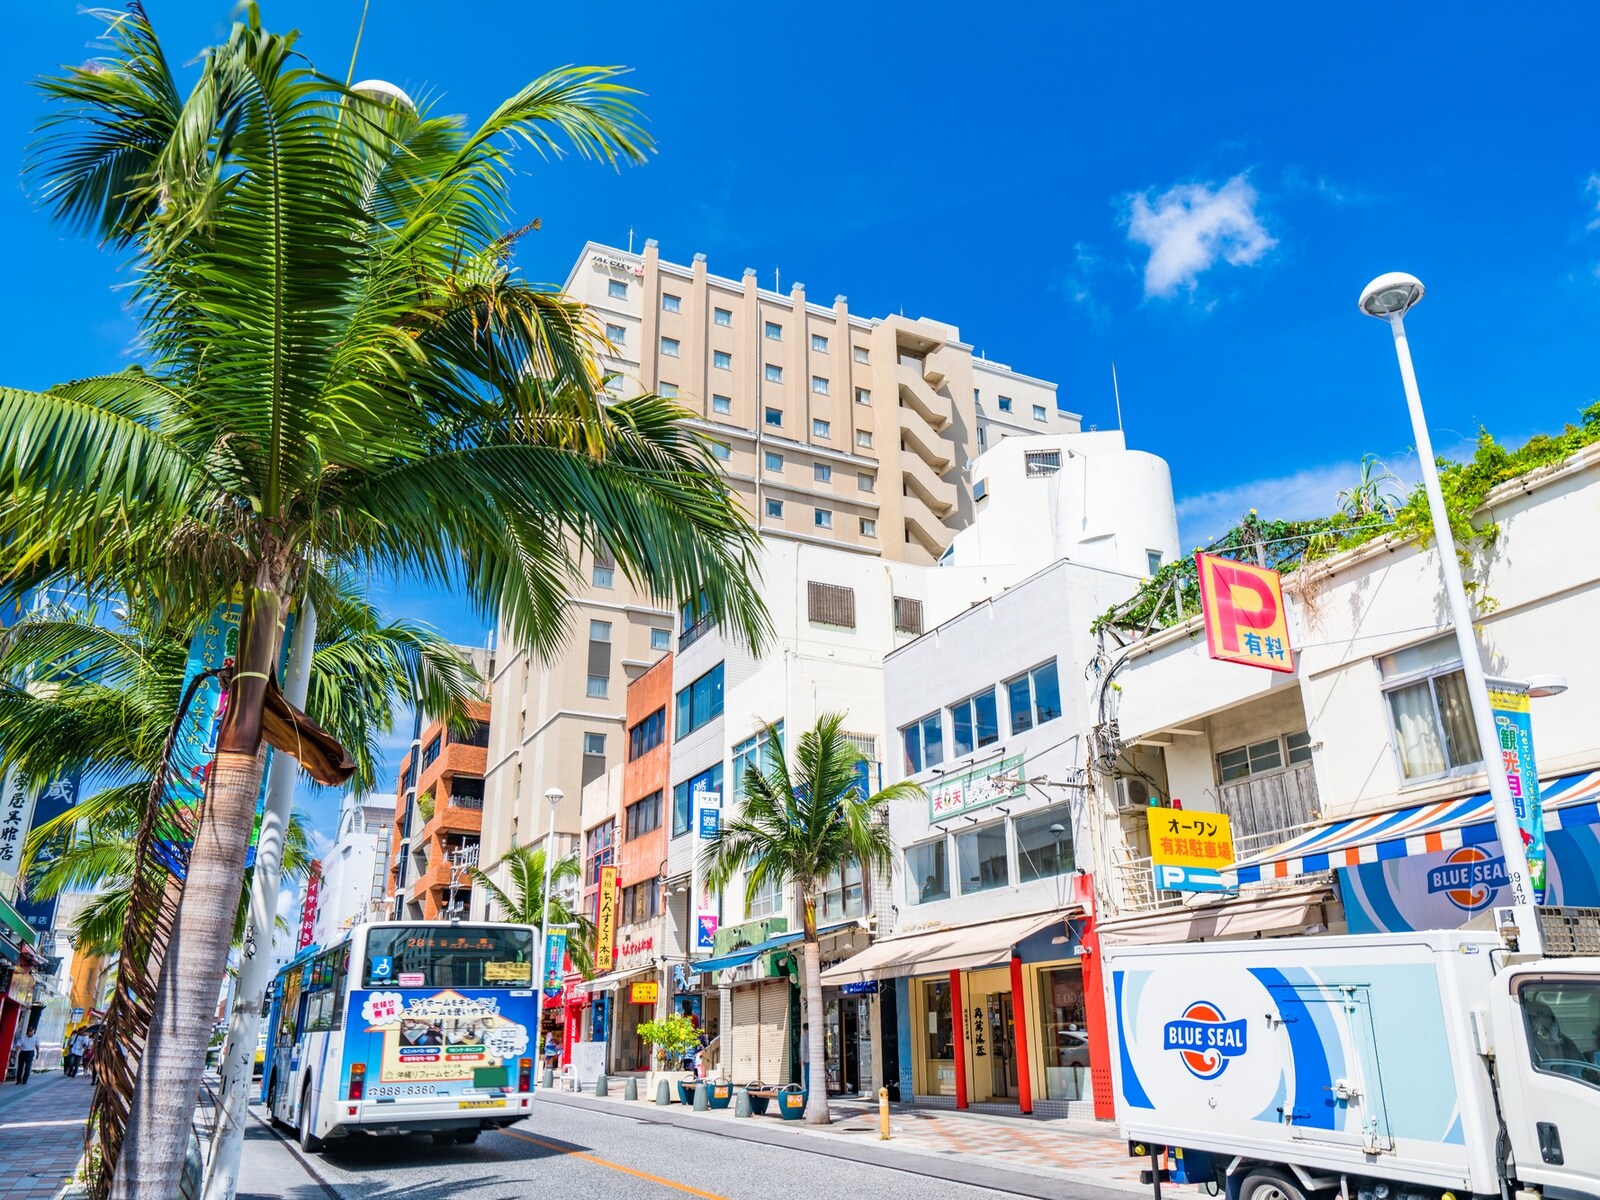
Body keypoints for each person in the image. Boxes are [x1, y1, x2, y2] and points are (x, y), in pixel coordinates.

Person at [1527, 1001, 1582, 1067]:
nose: (1535, 1019)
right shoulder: (1525, 1043)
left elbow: (1581, 1068)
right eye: (1537, 1013)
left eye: (1548, 1015)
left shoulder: (1566, 1042)